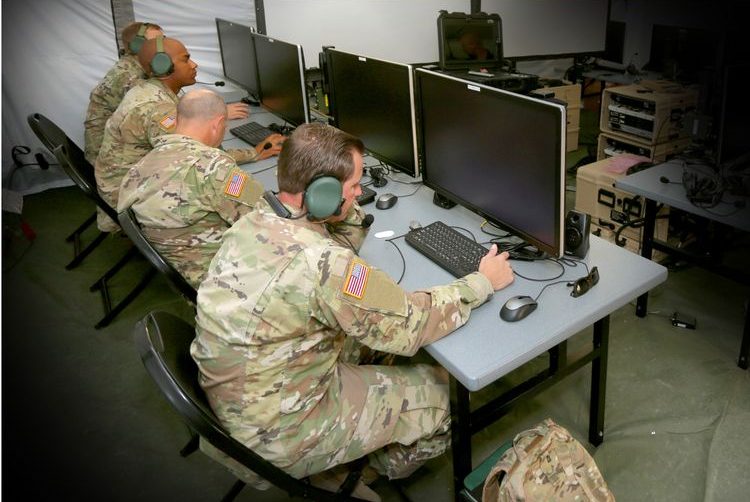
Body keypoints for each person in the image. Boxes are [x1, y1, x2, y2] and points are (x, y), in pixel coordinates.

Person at [191, 123, 514, 493]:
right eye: (354, 187)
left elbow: (337, 251)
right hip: (281, 432)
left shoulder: (254, 221)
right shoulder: (321, 264)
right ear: (323, 193)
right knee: (446, 397)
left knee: (375, 348)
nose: (361, 193)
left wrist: (340, 205)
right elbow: (411, 325)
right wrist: (482, 281)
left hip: (240, 403)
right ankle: (358, 473)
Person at [95, 36, 281, 231]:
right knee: (237, 203)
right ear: (162, 65)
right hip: (130, 197)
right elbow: (199, 158)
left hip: (134, 185)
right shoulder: (157, 109)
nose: (194, 64)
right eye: (185, 59)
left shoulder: (151, 90)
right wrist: (254, 154)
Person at [117, 88, 275, 289]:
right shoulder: (217, 168)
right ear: (218, 125)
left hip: (177, 266)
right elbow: (266, 220)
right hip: (219, 279)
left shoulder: (143, 164)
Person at [84, 22, 164, 164]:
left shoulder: (135, 66)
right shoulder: (129, 75)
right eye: (157, 41)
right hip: (109, 159)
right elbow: (152, 112)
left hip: (115, 147)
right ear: (138, 45)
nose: (162, 46)